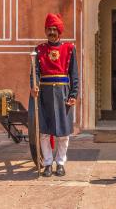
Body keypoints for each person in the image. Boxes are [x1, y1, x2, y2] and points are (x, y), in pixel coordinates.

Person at [30, 13, 79, 177]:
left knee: (63, 132)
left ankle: (60, 163)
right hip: (44, 94)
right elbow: (35, 72)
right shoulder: (39, 50)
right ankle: (48, 163)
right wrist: (34, 86)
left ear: (59, 31)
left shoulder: (69, 49)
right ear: (45, 31)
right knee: (44, 131)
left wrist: (73, 94)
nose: (51, 32)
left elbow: (74, 74)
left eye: (54, 29)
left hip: (63, 94)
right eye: (48, 29)